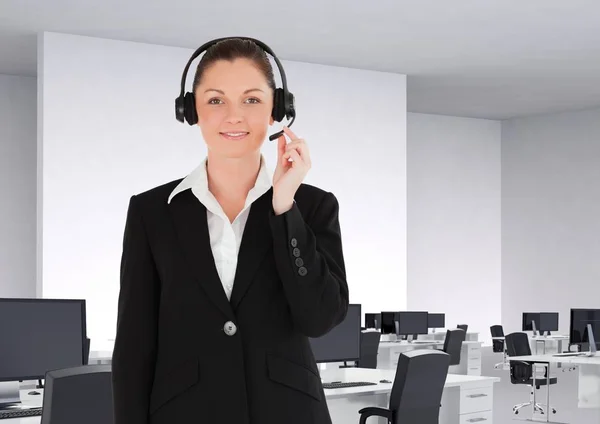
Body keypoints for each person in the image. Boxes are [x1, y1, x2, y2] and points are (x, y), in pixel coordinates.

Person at [111, 37, 349, 424]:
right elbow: (134, 347)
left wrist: (284, 208)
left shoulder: (311, 206)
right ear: (192, 111)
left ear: (278, 109)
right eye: (216, 100)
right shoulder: (151, 212)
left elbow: (319, 318)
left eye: (252, 100)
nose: (234, 116)